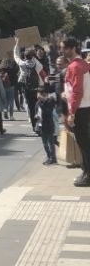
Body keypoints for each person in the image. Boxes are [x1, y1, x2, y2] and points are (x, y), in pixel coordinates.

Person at [60, 37, 90, 187]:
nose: (62, 51)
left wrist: (71, 113)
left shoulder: (76, 66)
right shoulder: (81, 64)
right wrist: (67, 94)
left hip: (81, 110)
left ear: (73, 48)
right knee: (84, 143)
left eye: (64, 48)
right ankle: (85, 172)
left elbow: (78, 91)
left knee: (84, 144)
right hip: (83, 108)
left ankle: (88, 175)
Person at [13, 39, 42, 130]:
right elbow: (41, 69)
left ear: (25, 57)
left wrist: (17, 44)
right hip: (36, 87)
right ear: (33, 56)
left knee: (30, 106)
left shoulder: (22, 64)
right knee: (37, 105)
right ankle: (39, 122)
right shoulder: (37, 64)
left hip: (27, 88)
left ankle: (34, 125)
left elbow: (16, 56)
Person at [36, 84, 58, 165]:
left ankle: (53, 158)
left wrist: (42, 102)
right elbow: (37, 110)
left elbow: (47, 112)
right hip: (41, 125)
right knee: (45, 143)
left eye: (42, 94)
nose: (40, 96)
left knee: (50, 143)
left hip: (49, 125)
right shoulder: (38, 102)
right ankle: (49, 156)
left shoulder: (50, 101)